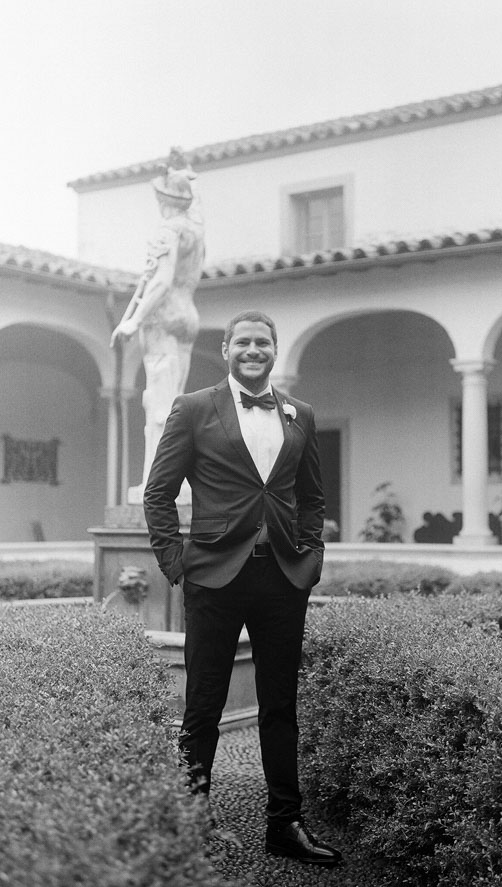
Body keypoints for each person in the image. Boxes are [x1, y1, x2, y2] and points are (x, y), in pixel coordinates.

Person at [143, 309, 343, 867]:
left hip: (282, 576)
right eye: (244, 342)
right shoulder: (193, 408)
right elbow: (158, 494)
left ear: (275, 352)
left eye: (264, 343)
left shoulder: (299, 414)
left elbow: (313, 498)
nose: (254, 350)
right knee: (202, 706)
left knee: (281, 706)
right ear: (226, 349)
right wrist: (176, 564)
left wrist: (311, 558)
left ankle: (285, 824)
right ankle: (193, 822)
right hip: (213, 575)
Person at [110, 148, 204, 502]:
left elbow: (161, 281)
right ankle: (173, 479)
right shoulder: (195, 230)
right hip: (187, 313)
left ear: (163, 200)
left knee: (160, 405)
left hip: (163, 318)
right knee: (174, 401)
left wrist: (134, 320)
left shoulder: (167, 230)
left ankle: (161, 480)